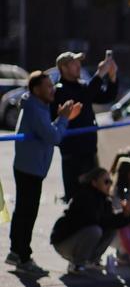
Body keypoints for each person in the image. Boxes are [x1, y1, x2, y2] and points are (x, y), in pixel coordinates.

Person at [6, 71, 81, 276]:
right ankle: (22, 256)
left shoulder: (39, 105)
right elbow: (53, 137)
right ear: (36, 89)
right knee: (26, 213)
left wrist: (61, 119)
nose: (52, 89)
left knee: (24, 211)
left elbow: (49, 132)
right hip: (29, 168)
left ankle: (17, 253)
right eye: (48, 86)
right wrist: (64, 118)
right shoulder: (35, 109)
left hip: (32, 167)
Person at [52, 51, 118, 202]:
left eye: (79, 63)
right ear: (63, 68)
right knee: (78, 197)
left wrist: (112, 77)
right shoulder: (59, 90)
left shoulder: (82, 86)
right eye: (74, 63)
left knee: (94, 193)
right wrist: (100, 74)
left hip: (89, 150)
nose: (78, 66)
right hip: (73, 153)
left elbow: (106, 96)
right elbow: (83, 98)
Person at [51, 167, 130, 274]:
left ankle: (91, 261)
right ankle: (77, 264)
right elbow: (95, 220)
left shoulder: (104, 200)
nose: (109, 185)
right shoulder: (84, 197)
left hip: (78, 239)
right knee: (95, 230)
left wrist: (126, 214)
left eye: (110, 182)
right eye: (106, 182)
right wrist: (121, 215)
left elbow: (109, 222)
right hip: (64, 241)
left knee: (111, 229)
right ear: (94, 183)